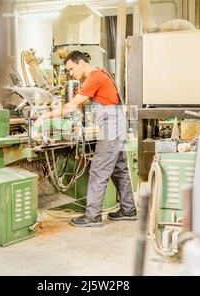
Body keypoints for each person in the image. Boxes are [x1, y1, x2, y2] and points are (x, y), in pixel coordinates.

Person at [35, 50, 137, 227]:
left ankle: (92, 216)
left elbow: (70, 107)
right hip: (117, 123)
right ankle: (128, 209)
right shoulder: (100, 73)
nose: (70, 73)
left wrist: (45, 116)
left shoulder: (94, 77)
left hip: (111, 127)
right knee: (119, 168)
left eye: (71, 69)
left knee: (98, 169)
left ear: (81, 63)